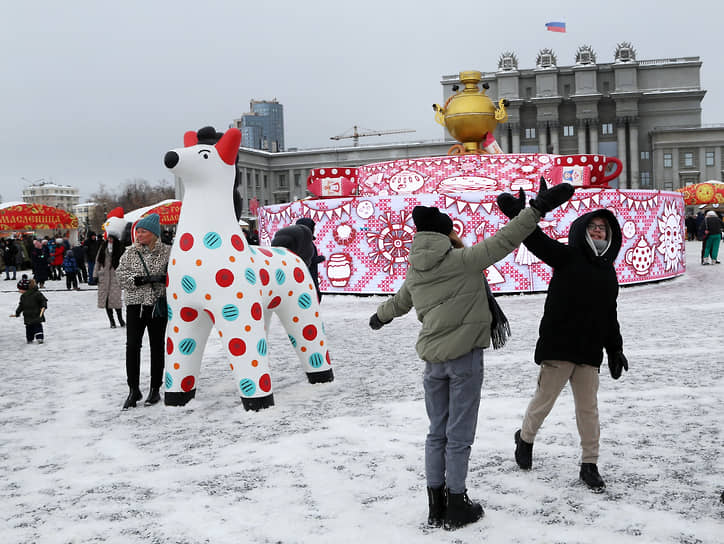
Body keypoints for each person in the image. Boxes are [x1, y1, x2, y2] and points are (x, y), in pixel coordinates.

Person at [369, 181, 574, 530]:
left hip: (432, 362)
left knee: (437, 432)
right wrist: (537, 207)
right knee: (459, 433)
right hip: (464, 360)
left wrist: (379, 317)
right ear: (447, 234)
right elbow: (507, 238)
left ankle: (435, 503)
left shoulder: (415, 271)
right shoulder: (463, 261)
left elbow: (399, 303)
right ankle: (456, 502)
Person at [497, 191, 628, 492]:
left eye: (603, 228)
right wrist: (520, 214)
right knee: (543, 402)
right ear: (582, 229)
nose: (598, 231)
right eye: (593, 226)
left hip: (589, 351)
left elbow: (610, 314)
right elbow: (534, 239)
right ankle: (525, 439)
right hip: (559, 346)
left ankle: (589, 464)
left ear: (609, 235)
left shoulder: (608, 273)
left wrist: (615, 348)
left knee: (588, 409)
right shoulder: (567, 256)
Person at [116, 214, 171, 410]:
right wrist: (137, 280)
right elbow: (120, 275)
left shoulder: (167, 252)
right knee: (132, 346)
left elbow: (175, 274)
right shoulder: (130, 252)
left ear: (154, 234)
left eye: (143, 231)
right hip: (135, 305)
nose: (138, 234)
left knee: (157, 346)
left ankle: (155, 388)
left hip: (157, 305)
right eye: (137, 231)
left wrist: (162, 278)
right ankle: (133, 389)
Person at [94, 228, 126, 328]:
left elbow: (125, 264)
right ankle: (111, 321)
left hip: (115, 277)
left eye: (112, 238)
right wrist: (95, 275)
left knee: (116, 300)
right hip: (104, 278)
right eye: (109, 238)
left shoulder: (120, 249)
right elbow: (97, 262)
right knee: (106, 301)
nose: (110, 240)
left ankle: (120, 319)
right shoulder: (103, 247)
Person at [10, 274, 48, 344]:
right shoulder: (23, 297)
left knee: (37, 326)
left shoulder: (37, 294)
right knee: (29, 328)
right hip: (27, 315)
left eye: (20, 289)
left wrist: (43, 306)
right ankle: (29, 339)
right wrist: (17, 312)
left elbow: (43, 300)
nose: (19, 291)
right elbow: (21, 305)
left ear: (25, 288)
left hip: (37, 313)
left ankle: (40, 338)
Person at [296, 217, 326, 302]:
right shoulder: (305, 243)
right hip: (308, 278)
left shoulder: (303, 241)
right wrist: (320, 258)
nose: (314, 230)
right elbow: (306, 260)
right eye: (313, 228)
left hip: (309, 277)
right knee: (314, 298)